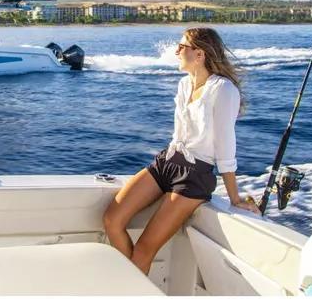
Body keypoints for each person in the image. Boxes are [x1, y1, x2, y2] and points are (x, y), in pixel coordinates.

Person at [103, 27, 260, 275]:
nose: (176, 50)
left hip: (194, 175)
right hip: (166, 162)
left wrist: (235, 198)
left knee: (144, 250)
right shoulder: (184, 84)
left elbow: (226, 146)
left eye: (181, 46)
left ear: (200, 54)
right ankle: (130, 281)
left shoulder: (223, 89)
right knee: (112, 219)